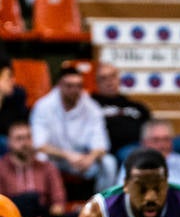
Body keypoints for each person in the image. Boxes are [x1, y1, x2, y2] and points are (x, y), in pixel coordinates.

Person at [30, 65, 117, 197]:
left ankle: (101, 206)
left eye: (78, 86)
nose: (74, 90)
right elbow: (38, 145)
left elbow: (101, 145)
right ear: (59, 85)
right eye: (69, 85)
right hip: (55, 160)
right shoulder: (43, 106)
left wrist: (90, 158)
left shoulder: (92, 107)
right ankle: (45, 205)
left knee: (109, 163)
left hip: (83, 161)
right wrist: (67, 155)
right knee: (39, 158)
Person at [0, 118, 65, 217]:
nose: (25, 143)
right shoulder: (1, 169)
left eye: (28, 137)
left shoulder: (48, 168)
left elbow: (58, 202)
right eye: (19, 138)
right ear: (9, 142)